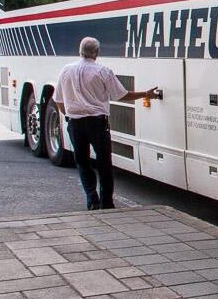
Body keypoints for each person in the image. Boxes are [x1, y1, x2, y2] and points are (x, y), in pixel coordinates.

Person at [54, 37, 159, 210]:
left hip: (75, 124)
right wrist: (145, 94)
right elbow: (121, 95)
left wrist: (69, 116)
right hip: (97, 123)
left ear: (80, 51)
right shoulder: (103, 71)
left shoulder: (66, 70)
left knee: (82, 162)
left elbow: (58, 99)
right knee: (104, 163)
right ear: (96, 52)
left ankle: (92, 199)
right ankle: (107, 203)